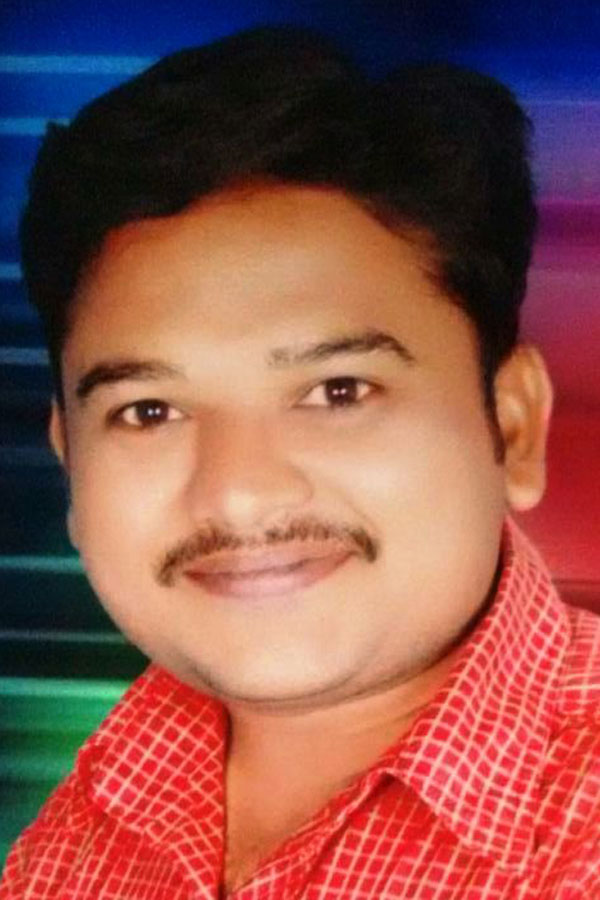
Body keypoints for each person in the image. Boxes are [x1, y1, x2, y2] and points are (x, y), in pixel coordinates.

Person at [1, 24, 598, 900]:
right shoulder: (88, 818)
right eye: (150, 411)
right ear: (70, 462)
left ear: (512, 428)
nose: (240, 491)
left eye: (337, 392)